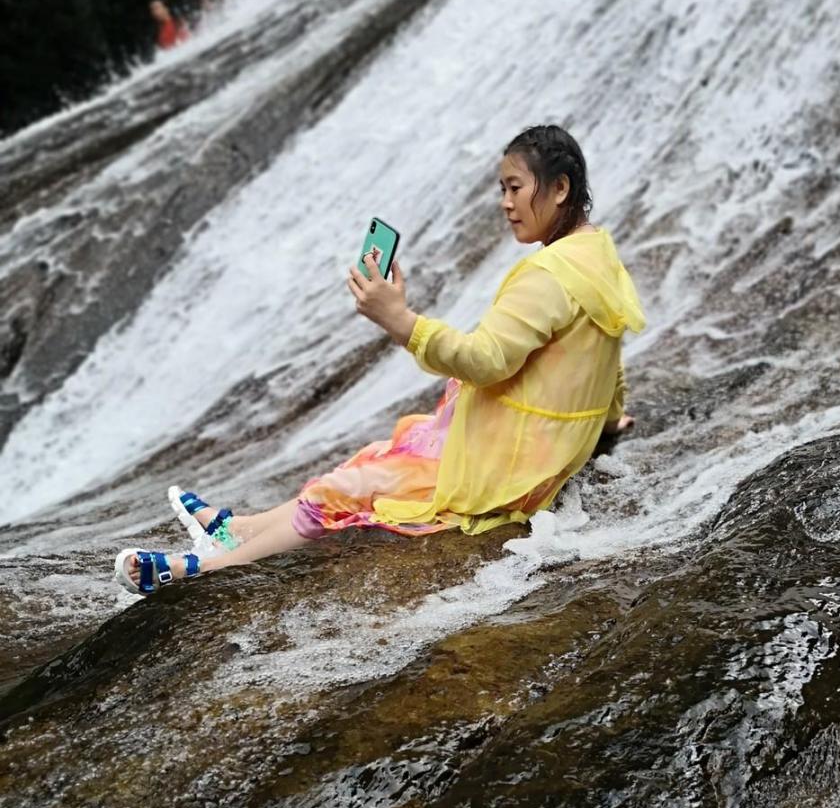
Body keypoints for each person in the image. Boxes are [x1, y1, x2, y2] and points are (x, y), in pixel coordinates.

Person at [113, 125, 644, 595]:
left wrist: (400, 320)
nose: (504, 203)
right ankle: (238, 528)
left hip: (510, 466)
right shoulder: (595, 253)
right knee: (379, 458)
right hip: (538, 448)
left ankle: (201, 570)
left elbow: (485, 361)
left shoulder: (549, 275)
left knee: (357, 487)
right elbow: (607, 351)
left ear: (559, 189)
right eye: (501, 189)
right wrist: (606, 426)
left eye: (514, 188)